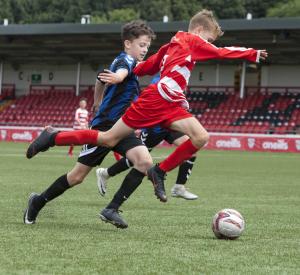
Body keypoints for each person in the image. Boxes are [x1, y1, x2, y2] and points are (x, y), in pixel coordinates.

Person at [26, 9, 268, 204]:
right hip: (158, 99)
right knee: (107, 140)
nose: (208, 44)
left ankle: (158, 173)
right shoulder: (192, 41)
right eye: (209, 38)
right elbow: (220, 52)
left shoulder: (172, 47)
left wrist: (129, 71)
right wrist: (252, 53)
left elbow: (147, 66)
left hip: (170, 102)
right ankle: (53, 137)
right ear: (199, 30)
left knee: (200, 137)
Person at [23, 20, 156, 229]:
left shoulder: (129, 64)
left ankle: (111, 208)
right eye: (141, 45)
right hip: (105, 127)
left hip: (123, 127)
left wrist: (97, 100)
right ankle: (38, 201)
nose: (145, 50)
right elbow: (120, 73)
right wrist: (118, 78)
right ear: (128, 44)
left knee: (145, 162)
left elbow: (100, 77)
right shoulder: (126, 61)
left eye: (147, 46)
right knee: (76, 177)